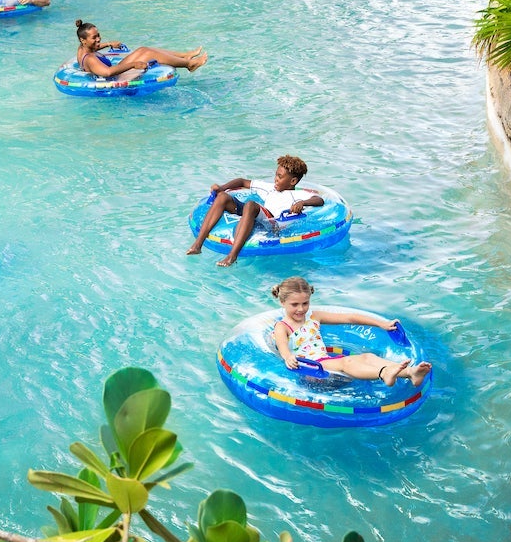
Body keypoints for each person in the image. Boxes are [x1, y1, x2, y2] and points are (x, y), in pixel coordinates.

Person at [269, 276, 432, 387]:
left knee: (368, 357)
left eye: (305, 303)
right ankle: (384, 373)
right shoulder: (282, 327)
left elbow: (350, 318)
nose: (301, 309)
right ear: (283, 302)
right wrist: (288, 357)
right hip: (311, 370)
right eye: (295, 304)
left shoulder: (314, 316)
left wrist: (382, 324)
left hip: (324, 360)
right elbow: (283, 347)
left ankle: (411, 372)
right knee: (346, 362)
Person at [185, 155, 322, 267]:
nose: (276, 179)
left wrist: (302, 203)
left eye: (280, 177)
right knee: (223, 197)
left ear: (292, 181)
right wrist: (222, 188)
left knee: (250, 205)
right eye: (276, 175)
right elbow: (242, 182)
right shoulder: (270, 188)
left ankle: (232, 256)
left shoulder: (299, 195)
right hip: (258, 214)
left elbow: (319, 200)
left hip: (272, 222)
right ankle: (197, 245)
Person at [74, 20, 207, 80]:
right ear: (83, 40)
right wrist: (133, 64)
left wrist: (108, 44)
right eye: (94, 38)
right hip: (116, 78)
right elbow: (108, 73)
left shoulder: (82, 49)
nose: (98, 39)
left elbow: (93, 48)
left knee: (143, 49)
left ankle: (185, 56)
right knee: (147, 53)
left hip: (116, 72)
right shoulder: (90, 59)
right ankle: (189, 64)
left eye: (99, 36)